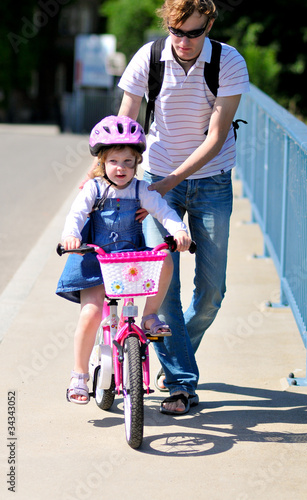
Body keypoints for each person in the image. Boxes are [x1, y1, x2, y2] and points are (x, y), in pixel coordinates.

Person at [115, 0, 250, 415]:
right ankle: (180, 383)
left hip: (211, 181)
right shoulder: (149, 57)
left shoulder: (229, 61)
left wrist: (173, 179)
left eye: (195, 32)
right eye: (178, 32)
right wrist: (111, 177)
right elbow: (127, 123)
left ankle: (175, 352)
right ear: (168, 25)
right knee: (164, 283)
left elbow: (215, 136)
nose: (185, 41)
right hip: (157, 182)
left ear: (209, 25)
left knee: (212, 292)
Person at [56, 115, 192, 404]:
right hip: (95, 261)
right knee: (91, 312)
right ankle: (79, 374)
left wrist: (179, 231)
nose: (122, 168)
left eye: (129, 162)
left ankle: (150, 315)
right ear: (102, 162)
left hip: (129, 263)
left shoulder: (141, 190)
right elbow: (77, 214)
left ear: (137, 164)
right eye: (115, 161)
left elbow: (164, 211)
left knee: (165, 259)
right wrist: (71, 236)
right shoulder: (94, 189)